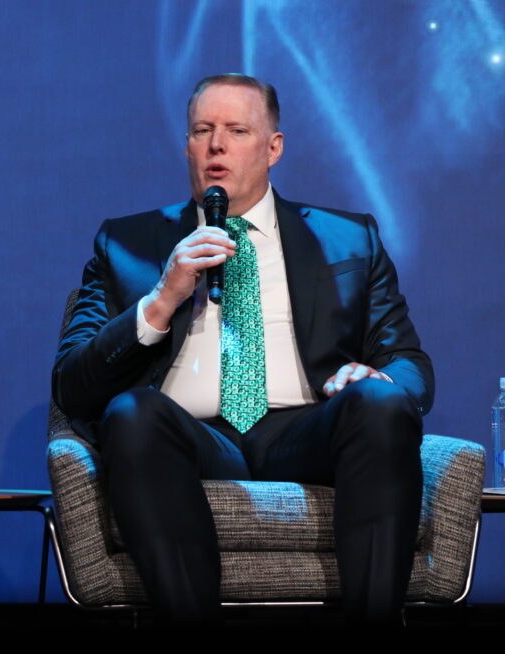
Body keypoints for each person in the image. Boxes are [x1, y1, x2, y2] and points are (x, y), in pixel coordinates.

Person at [52, 74, 433, 624]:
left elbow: (410, 364)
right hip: (187, 436)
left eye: (236, 130)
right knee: (131, 412)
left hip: (308, 431)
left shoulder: (349, 238)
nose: (216, 146)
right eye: (202, 131)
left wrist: (375, 378)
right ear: (187, 146)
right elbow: (72, 386)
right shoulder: (125, 244)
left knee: (382, 403)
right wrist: (162, 299)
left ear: (273, 147)